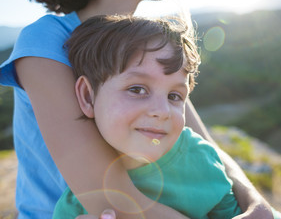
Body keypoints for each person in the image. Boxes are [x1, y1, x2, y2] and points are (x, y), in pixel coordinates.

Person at [0, 0, 273, 218]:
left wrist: (256, 203)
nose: (160, 108)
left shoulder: (150, 49)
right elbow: (113, 203)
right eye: (136, 89)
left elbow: (208, 148)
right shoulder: (45, 39)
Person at [52, 14, 243, 219]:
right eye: (137, 89)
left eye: (174, 96)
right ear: (88, 97)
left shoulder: (200, 157)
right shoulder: (76, 208)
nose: (162, 111)